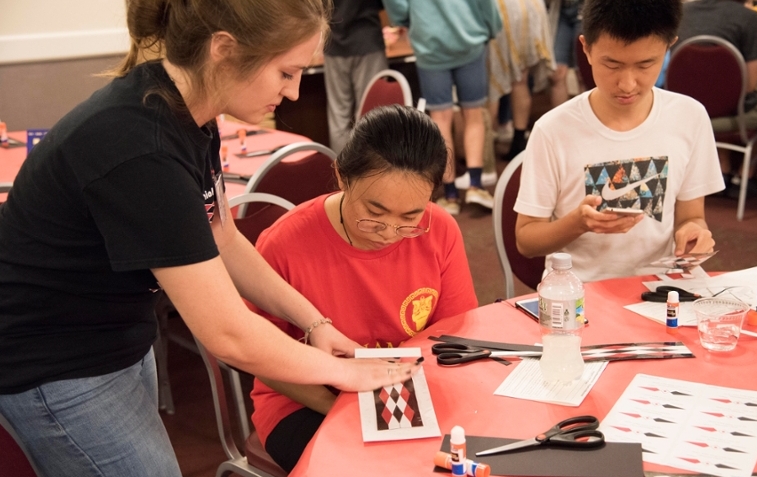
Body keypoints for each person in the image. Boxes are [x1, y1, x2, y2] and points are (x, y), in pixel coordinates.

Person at [0, 1, 422, 475]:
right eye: (286, 73)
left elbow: (222, 236)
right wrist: (344, 372)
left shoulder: (190, 115)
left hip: (111, 333)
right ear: (224, 49)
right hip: (55, 361)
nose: (296, 91)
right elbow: (227, 334)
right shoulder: (142, 147)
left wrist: (314, 323)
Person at [247, 105, 478, 472]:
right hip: (307, 401)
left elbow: (452, 338)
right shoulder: (283, 244)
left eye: (409, 218)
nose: (389, 232)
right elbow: (263, 358)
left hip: (412, 392)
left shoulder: (440, 230)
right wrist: (341, 406)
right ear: (341, 176)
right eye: (374, 212)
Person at [514, 0, 725, 283]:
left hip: (662, 288)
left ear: (668, 47)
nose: (627, 84)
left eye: (645, 64)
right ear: (586, 48)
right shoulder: (553, 130)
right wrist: (578, 223)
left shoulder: (689, 116)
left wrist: (692, 231)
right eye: (611, 64)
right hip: (583, 293)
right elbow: (526, 241)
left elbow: (692, 216)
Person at [383, 0, 503, 215]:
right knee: (473, 114)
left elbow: (397, 8)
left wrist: (411, 19)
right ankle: (476, 186)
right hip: (470, 38)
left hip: (430, 44)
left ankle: (450, 194)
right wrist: (493, 28)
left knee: (440, 118)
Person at [677, 0, 757, 198]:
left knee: (719, 96)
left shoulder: (681, 12)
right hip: (732, 113)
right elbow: (751, 83)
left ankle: (722, 171)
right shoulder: (748, 18)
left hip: (687, 111)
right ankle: (746, 174)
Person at [487, 0, 556, 160]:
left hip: (501, 10)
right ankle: (518, 143)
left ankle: (485, 154)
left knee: (492, 83)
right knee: (521, 80)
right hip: (532, 8)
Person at [324, 0, 388, 154]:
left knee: (338, 117)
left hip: (334, 44)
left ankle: (341, 173)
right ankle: (370, 173)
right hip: (367, 41)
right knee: (372, 114)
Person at [547, 0, 585, 107]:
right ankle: (560, 121)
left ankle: (586, 121)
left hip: (586, 9)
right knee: (557, 74)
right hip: (561, 10)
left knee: (583, 74)